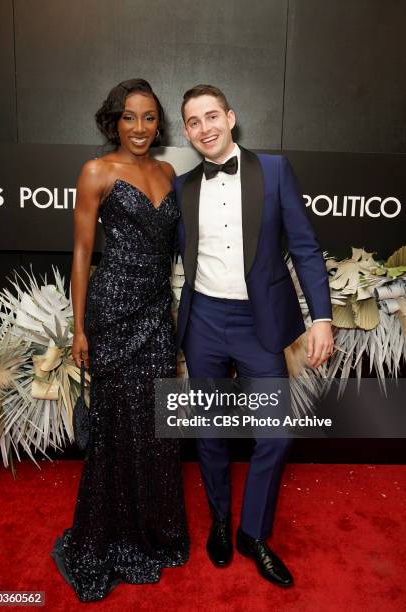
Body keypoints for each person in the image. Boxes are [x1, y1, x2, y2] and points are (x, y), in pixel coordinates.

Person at [174, 84, 333, 588]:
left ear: (231, 117)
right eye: (194, 122)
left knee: (275, 434)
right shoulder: (182, 187)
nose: (205, 128)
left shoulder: (276, 170)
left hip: (261, 324)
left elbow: (305, 249)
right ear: (187, 131)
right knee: (209, 431)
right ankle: (220, 519)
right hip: (203, 323)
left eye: (212, 116)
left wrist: (322, 318)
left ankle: (254, 534)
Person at [51, 79, 189, 602]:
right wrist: (79, 327)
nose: (139, 128)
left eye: (149, 118)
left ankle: (151, 530)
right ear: (115, 122)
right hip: (112, 311)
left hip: (157, 312)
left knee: (155, 425)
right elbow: (82, 253)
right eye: (129, 118)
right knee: (115, 426)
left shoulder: (168, 172)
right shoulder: (96, 172)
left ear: (159, 123)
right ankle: (108, 536)